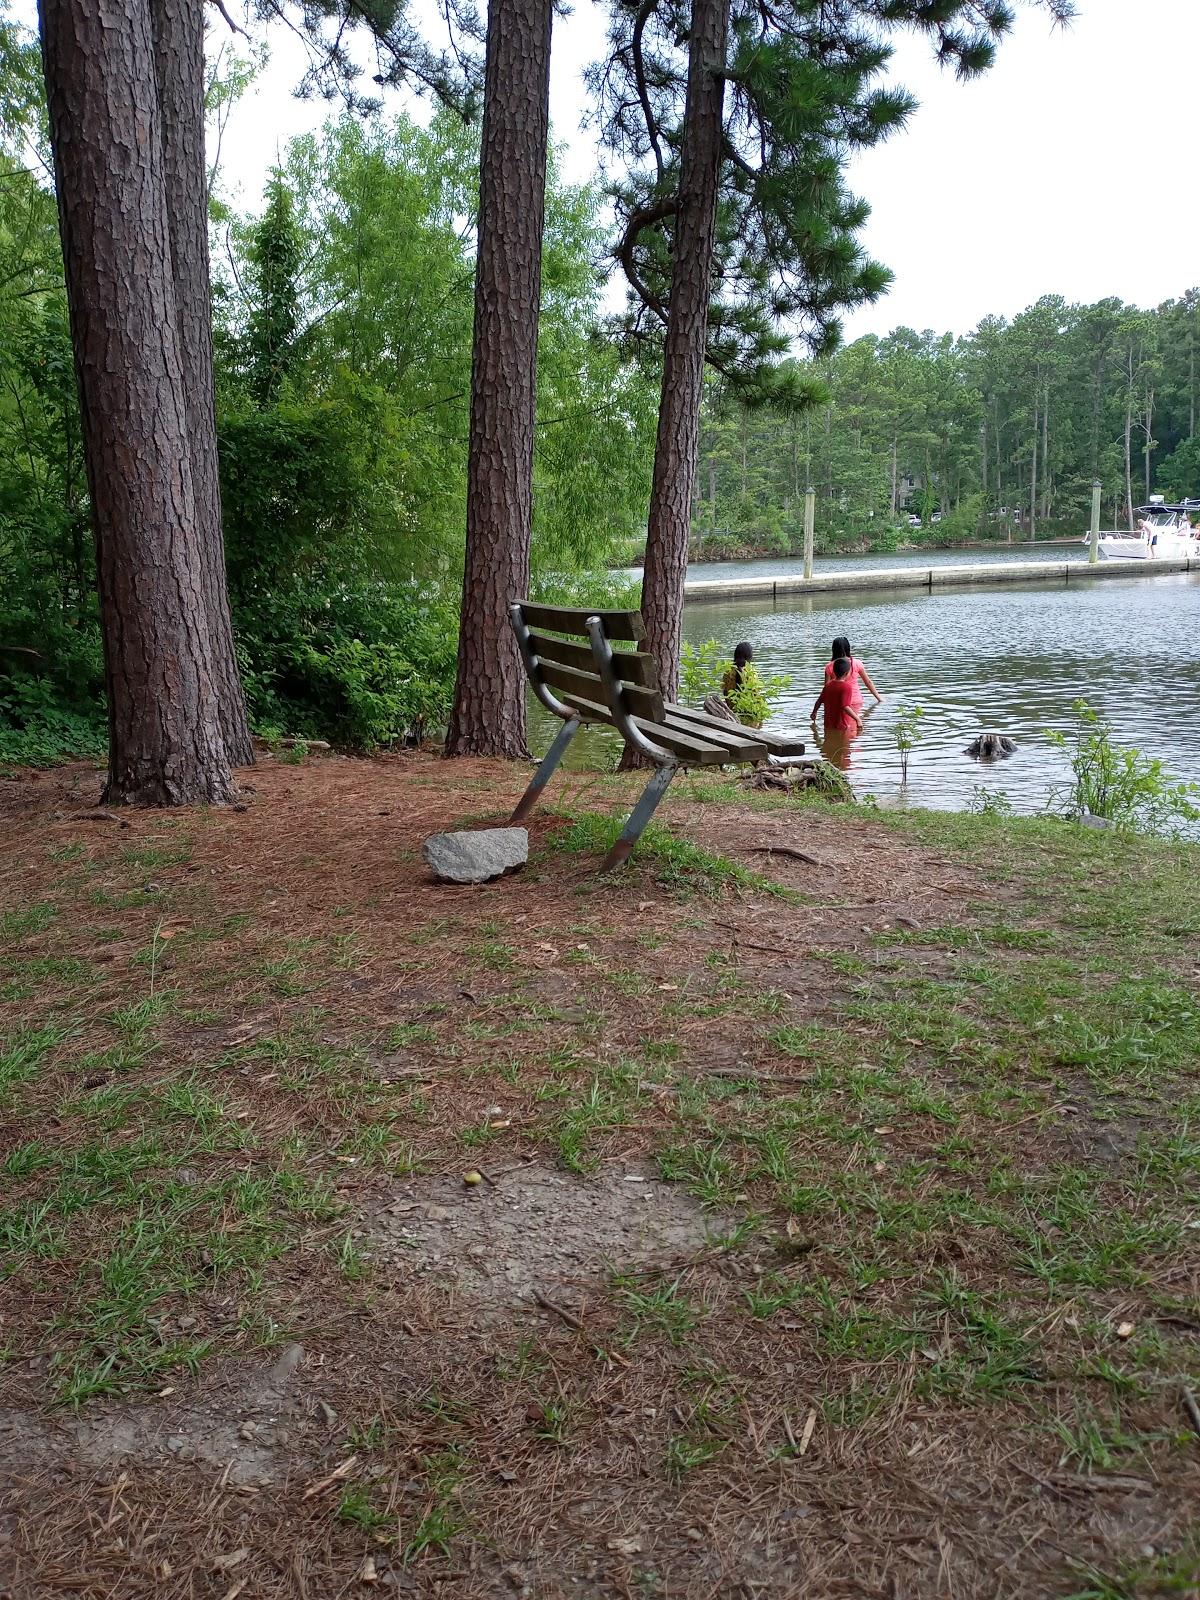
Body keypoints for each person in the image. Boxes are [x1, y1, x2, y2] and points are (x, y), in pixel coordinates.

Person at [823, 635, 882, 712]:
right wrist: (879, 699)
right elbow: (868, 682)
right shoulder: (857, 663)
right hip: (856, 701)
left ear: (834, 649)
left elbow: (827, 688)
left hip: (838, 703)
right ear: (848, 648)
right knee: (857, 722)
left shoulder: (830, 666)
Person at [810, 655, 863, 737]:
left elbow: (819, 701)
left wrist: (814, 712)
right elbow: (845, 706)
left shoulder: (828, 686)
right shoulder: (847, 687)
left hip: (828, 724)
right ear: (847, 673)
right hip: (842, 725)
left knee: (828, 744)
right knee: (844, 747)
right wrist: (857, 719)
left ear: (834, 672)